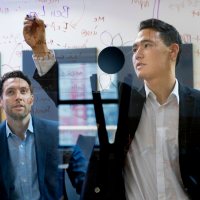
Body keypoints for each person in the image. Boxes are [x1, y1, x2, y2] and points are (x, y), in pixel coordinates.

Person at [23, 16, 200, 200]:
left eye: (147, 45)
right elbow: (72, 100)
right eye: (135, 48)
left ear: (172, 51)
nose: (137, 54)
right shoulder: (122, 102)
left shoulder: (196, 105)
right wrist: (40, 50)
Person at [0, 70, 87, 200]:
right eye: (10, 92)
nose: (18, 97)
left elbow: (85, 179)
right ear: (1, 101)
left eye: (23, 91)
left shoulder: (57, 133)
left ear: (31, 99)